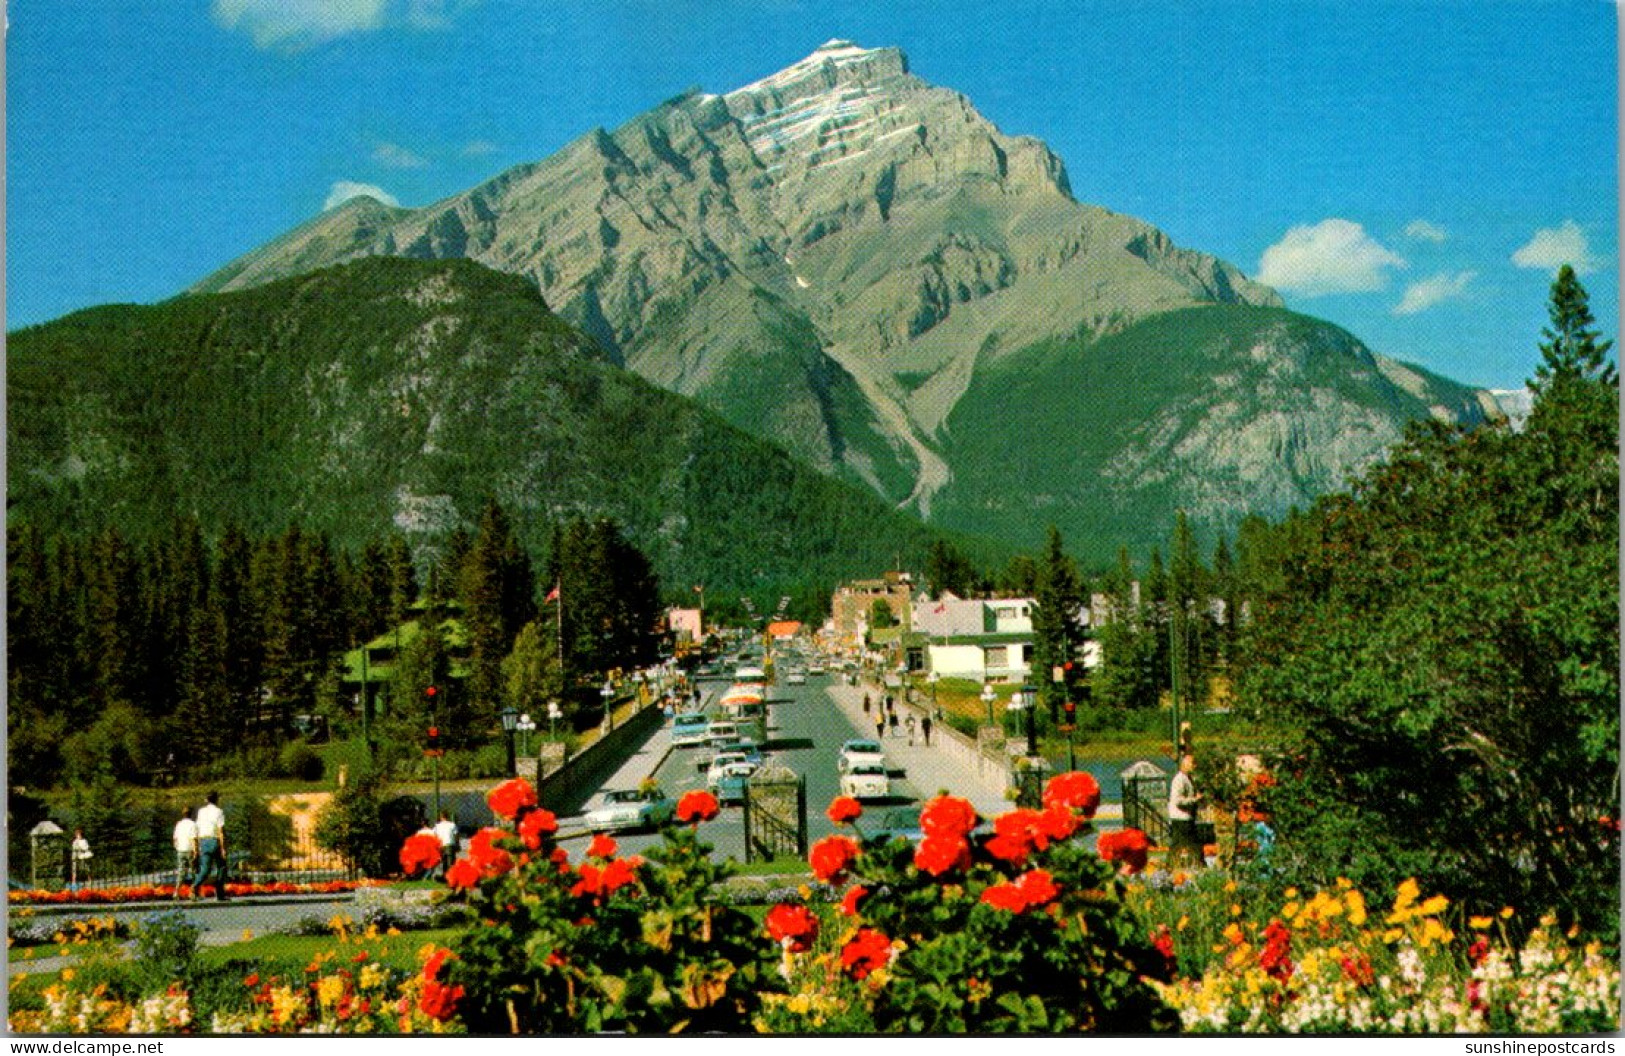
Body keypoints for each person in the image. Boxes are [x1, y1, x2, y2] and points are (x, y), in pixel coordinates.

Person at [192, 791, 230, 901]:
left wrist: (198, 843)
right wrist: (223, 847)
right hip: (214, 840)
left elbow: (197, 827)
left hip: (203, 840)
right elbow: (220, 830)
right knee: (221, 866)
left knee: (205, 868)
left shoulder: (201, 811)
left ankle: (195, 886)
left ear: (206, 800)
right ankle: (219, 893)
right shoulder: (219, 812)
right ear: (217, 799)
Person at [1167, 755, 1203, 869]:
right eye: (1192, 763)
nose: (1194, 766)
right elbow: (1177, 800)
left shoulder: (1188, 778)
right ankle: (1198, 864)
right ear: (1185, 764)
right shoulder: (1179, 779)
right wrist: (1195, 800)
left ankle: (1172, 865)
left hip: (1187, 817)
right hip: (1181, 818)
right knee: (1186, 844)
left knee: (1182, 844)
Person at [172, 808, 199, 898]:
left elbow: (175, 839)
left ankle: (176, 891)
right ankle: (193, 893)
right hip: (190, 849)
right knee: (194, 872)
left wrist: (177, 847)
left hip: (180, 850)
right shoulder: (193, 824)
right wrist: (196, 851)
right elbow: (194, 838)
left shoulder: (179, 824)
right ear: (191, 814)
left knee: (181, 872)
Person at [433, 811, 458, 879]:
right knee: (451, 863)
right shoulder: (452, 824)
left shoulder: (437, 826)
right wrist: (457, 845)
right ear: (448, 817)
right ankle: (451, 877)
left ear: (441, 817)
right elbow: (456, 835)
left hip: (441, 845)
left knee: (444, 862)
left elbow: (435, 836)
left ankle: (445, 877)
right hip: (450, 845)